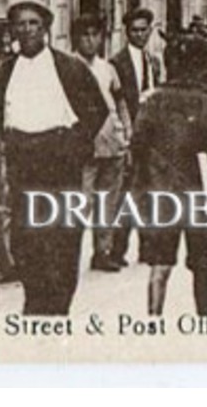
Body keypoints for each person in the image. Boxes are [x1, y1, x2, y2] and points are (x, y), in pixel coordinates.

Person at [0, 0, 108, 315]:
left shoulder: (68, 67)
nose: (26, 30)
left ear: (46, 29)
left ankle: (58, 310)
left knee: (62, 240)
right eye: (20, 24)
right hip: (23, 165)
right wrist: (11, 143)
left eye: (33, 24)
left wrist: (75, 146)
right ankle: (34, 304)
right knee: (26, 242)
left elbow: (97, 110)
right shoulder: (4, 71)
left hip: (59, 164)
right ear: (12, 30)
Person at [129, 33, 207, 317]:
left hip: (161, 194)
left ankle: (153, 322)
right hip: (198, 198)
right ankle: (203, 318)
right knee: (201, 265)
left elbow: (136, 149)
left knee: (160, 266)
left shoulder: (151, 102)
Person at [73, 16, 131, 272]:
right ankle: (70, 253)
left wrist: (126, 132)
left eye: (95, 34)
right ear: (76, 38)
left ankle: (102, 251)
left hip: (111, 141)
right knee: (80, 201)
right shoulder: (68, 66)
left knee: (108, 200)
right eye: (84, 35)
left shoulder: (107, 68)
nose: (90, 40)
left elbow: (120, 102)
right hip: (82, 145)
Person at [110, 6, 164, 263]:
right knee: (126, 193)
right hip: (131, 133)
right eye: (135, 31)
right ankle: (117, 249)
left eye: (144, 30)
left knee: (150, 191)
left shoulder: (153, 60)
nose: (140, 35)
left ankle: (147, 248)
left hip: (153, 134)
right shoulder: (117, 63)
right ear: (126, 32)